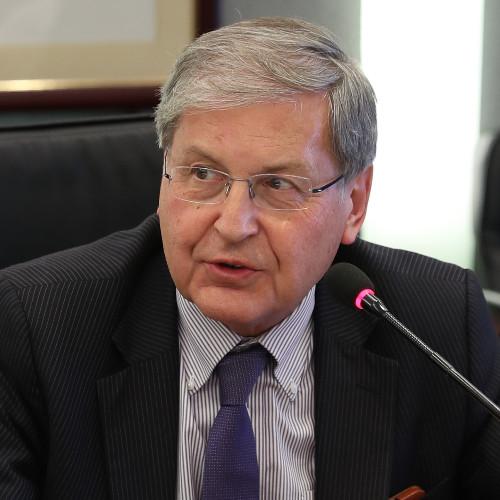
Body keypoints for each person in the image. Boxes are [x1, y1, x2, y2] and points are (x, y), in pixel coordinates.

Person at [0, 17, 499, 500]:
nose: (233, 225)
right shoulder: (36, 330)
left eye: (278, 184)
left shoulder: (438, 327)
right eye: (202, 174)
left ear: (354, 203)